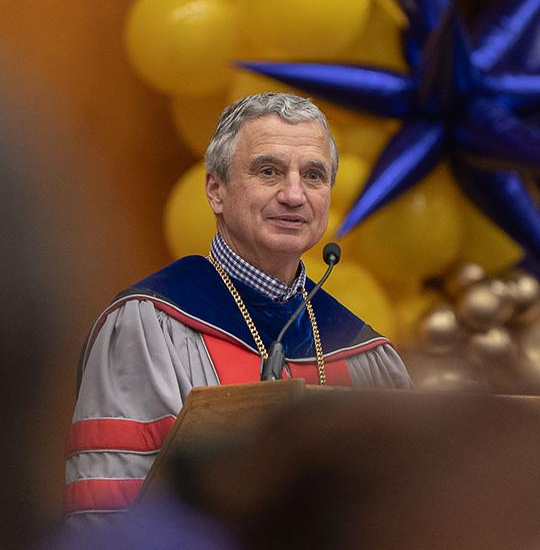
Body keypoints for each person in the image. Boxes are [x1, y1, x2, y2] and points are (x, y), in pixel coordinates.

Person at [65, 92, 412, 527]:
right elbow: (106, 516)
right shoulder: (148, 326)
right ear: (216, 191)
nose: (293, 194)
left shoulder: (365, 352)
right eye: (269, 171)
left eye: (313, 176)